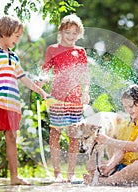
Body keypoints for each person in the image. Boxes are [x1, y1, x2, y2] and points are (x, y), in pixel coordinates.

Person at [0, 15, 49, 186]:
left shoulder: (13, 57)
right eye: (16, 36)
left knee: (12, 138)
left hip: (13, 104)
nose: (18, 40)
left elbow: (24, 78)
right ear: (5, 33)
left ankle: (15, 177)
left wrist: (41, 91)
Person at [41, 14, 90, 182]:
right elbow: (45, 72)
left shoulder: (80, 52)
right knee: (55, 134)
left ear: (79, 34)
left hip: (75, 100)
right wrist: (39, 84)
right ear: (60, 31)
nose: (71, 36)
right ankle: (57, 172)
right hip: (58, 98)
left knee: (74, 137)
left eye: (74, 33)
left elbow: (86, 76)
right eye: (67, 32)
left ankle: (70, 173)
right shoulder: (52, 50)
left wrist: (86, 91)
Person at [85, 84, 138, 186]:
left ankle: (105, 181)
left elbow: (136, 146)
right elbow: (121, 149)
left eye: (131, 106)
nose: (129, 110)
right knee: (91, 165)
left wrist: (107, 140)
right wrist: (109, 167)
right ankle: (124, 179)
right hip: (123, 168)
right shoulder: (126, 124)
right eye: (125, 107)